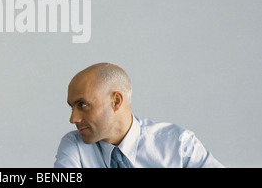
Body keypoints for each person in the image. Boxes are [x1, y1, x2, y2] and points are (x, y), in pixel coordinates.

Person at [54, 62, 224, 168]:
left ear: (116, 101)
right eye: (72, 107)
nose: (73, 119)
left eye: (82, 105)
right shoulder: (75, 146)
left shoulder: (178, 144)